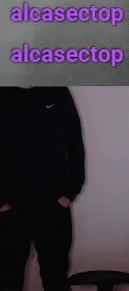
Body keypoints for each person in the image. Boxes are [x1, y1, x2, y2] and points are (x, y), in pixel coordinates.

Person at [0, 86, 85, 291]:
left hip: (53, 205)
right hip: (10, 207)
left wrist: (69, 193)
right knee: (7, 279)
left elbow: (74, 143)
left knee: (55, 277)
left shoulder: (57, 92)